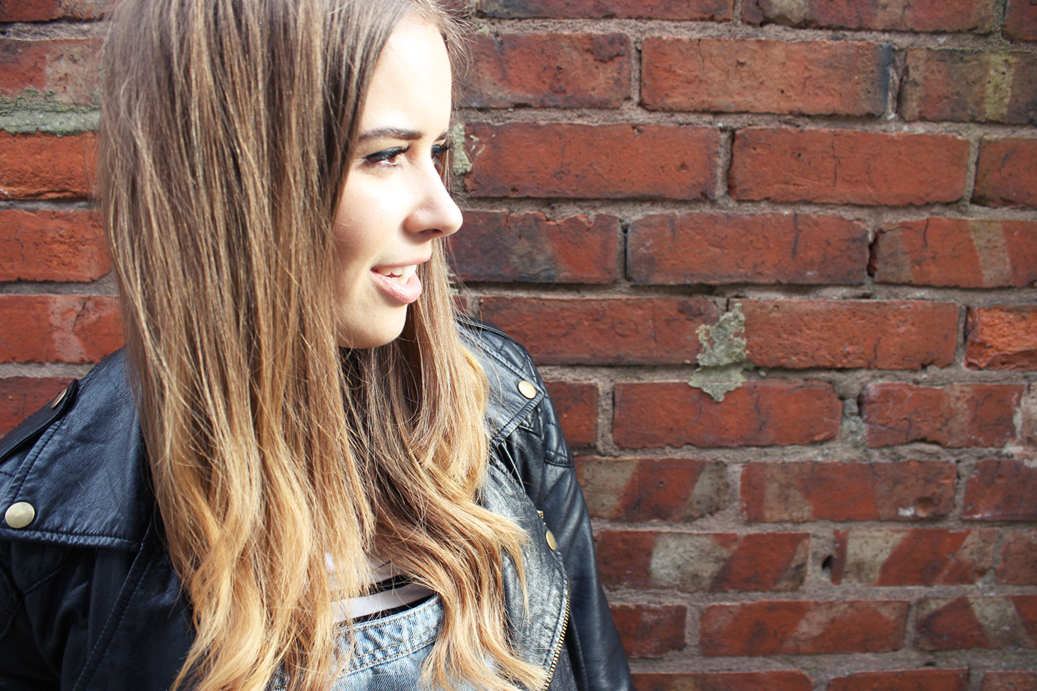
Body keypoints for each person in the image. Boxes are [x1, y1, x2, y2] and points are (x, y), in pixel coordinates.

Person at [0, 0, 634, 690]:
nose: (445, 213)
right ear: (229, 180)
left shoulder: (499, 405)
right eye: (385, 155)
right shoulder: (45, 527)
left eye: (436, 152)